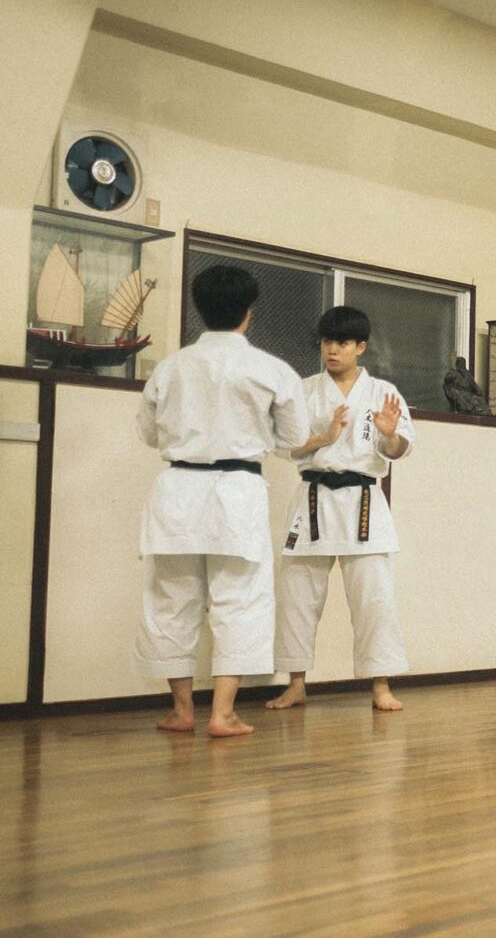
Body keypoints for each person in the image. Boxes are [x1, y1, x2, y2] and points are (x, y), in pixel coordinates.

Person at [133, 265, 309, 738]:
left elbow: (148, 433)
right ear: (249, 312)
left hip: (177, 490)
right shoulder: (272, 370)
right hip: (237, 490)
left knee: (171, 602)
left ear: (199, 309)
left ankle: (182, 710)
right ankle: (223, 712)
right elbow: (294, 439)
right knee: (241, 600)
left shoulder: (170, 367)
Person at [267, 306, 415, 713]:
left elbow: (399, 449)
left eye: (343, 343)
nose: (332, 350)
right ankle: (296, 684)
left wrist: (389, 435)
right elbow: (281, 446)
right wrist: (322, 438)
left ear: (360, 347)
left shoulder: (382, 392)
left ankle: (381, 685)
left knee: (374, 599)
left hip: (363, 501)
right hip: (313, 498)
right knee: (297, 597)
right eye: (327, 342)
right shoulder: (303, 390)